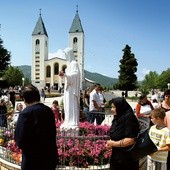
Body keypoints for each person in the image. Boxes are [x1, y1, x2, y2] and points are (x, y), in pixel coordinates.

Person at [14, 85, 59, 170]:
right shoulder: (48, 110)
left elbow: (20, 139)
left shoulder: (25, 113)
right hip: (49, 158)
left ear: (24, 98)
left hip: (32, 161)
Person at [105, 97, 140, 170]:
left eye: (114, 107)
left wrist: (113, 143)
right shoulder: (117, 118)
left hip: (127, 159)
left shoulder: (129, 118)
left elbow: (130, 140)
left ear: (120, 107)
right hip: (116, 157)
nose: (112, 109)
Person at [60, 47, 80, 131]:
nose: (65, 56)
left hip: (72, 90)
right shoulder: (69, 64)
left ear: (69, 54)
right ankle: (67, 120)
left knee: (71, 105)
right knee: (67, 105)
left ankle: (72, 122)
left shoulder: (74, 63)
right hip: (68, 89)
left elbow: (76, 75)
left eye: (65, 54)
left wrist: (66, 75)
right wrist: (64, 75)